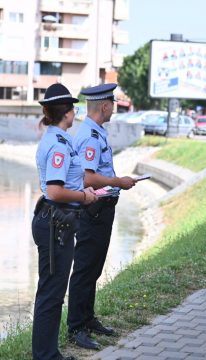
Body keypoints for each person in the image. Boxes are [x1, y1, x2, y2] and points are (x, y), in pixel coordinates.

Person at [67, 83, 137, 350]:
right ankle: (76, 329)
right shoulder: (89, 136)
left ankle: (87, 319)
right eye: (113, 103)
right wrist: (118, 181)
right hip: (93, 211)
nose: (114, 108)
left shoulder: (95, 132)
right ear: (105, 106)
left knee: (93, 268)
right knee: (85, 269)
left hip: (102, 209)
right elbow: (87, 177)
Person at [32, 83, 97, 360]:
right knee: (51, 293)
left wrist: (85, 192)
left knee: (52, 291)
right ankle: (46, 356)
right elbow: (56, 190)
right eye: (74, 109)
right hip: (54, 224)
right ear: (67, 113)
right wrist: (83, 196)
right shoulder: (57, 144)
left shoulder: (59, 139)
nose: (76, 114)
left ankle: (47, 353)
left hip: (56, 222)